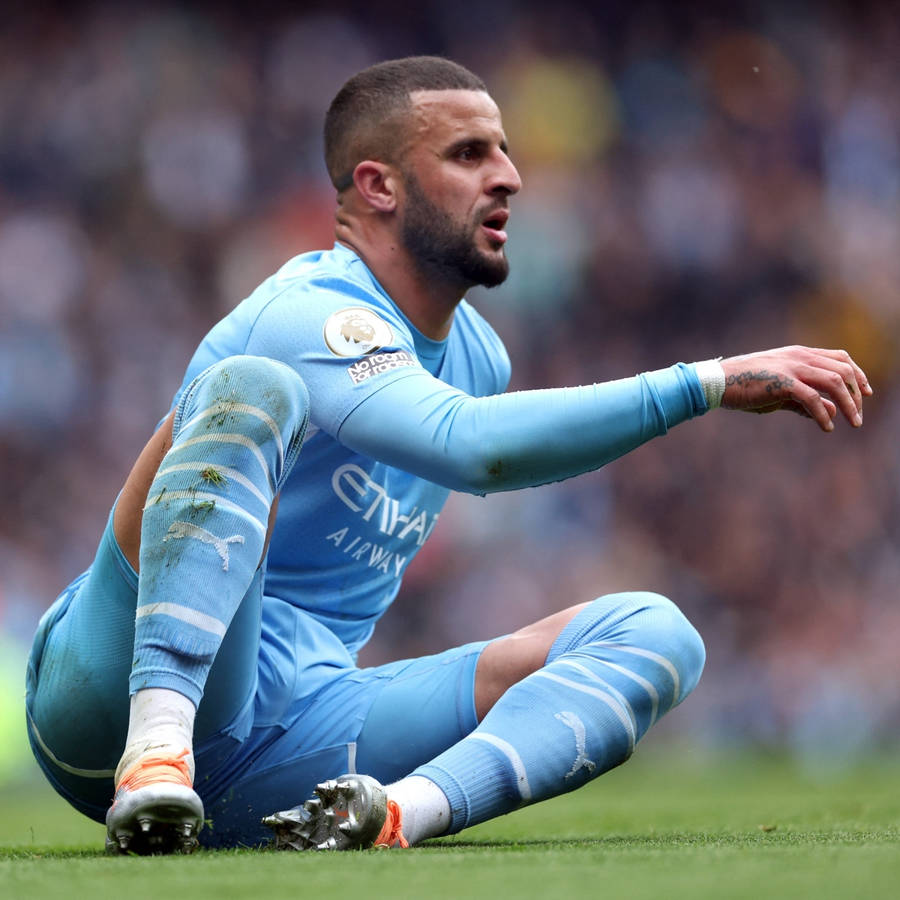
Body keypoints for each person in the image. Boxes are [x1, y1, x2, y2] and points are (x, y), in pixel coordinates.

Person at [25, 56, 870, 855]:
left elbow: (478, 443)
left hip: (291, 737)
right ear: (377, 185)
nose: (508, 176)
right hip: (111, 695)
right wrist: (706, 381)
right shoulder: (308, 309)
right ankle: (159, 750)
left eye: (503, 152)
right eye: (470, 154)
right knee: (254, 386)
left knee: (657, 632)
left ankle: (392, 814)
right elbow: (469, 447)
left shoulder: (478, 356)